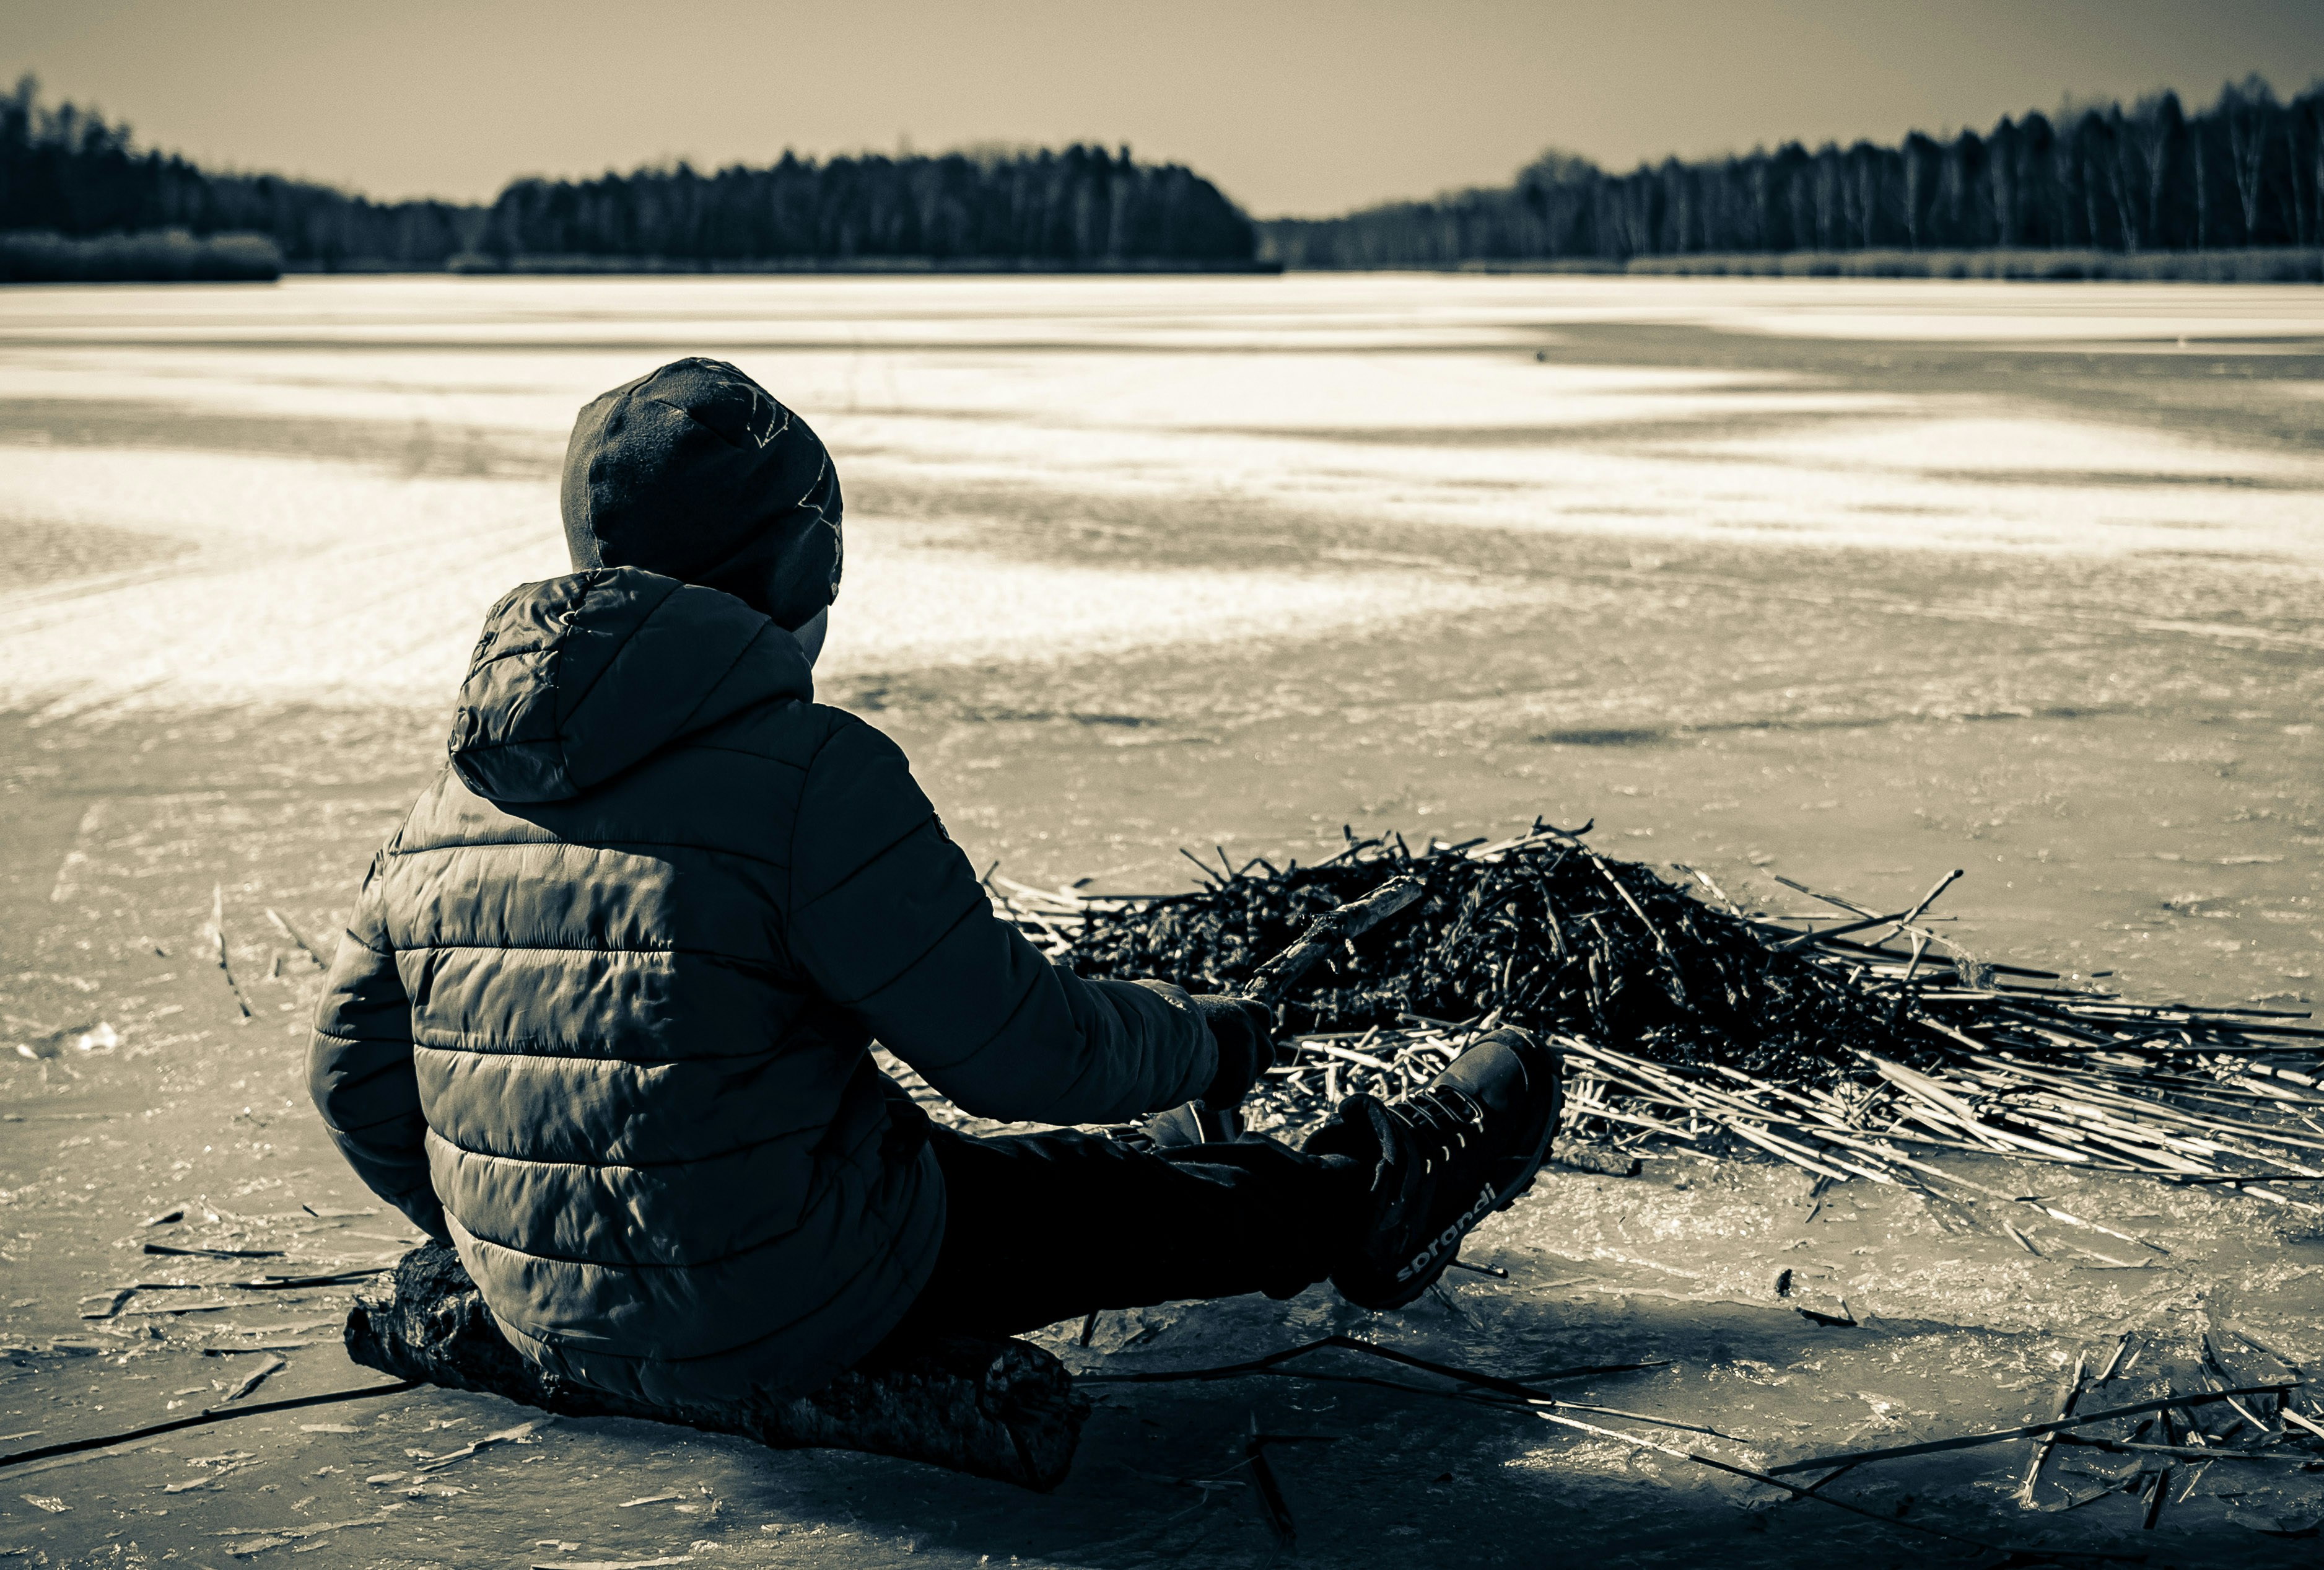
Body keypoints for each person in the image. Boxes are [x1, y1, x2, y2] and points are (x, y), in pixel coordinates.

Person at [307, 357, 1560, 1408]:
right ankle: (1378, 1187)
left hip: (544, 1310)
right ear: (799, 573)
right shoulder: (809, 776)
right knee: (1082, 1207)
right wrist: (1203, 1047)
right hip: (792, 1296)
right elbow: (1020, 1056)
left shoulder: (450, 798)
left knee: (937, 1173)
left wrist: (516, 1236)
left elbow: (352, 1085)